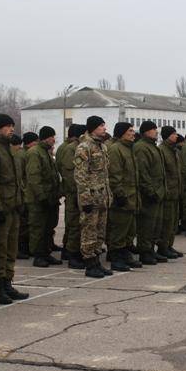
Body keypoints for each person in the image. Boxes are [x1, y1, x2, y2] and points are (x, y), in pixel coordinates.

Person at [0, 114, 29, 304]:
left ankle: (7, 283)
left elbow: (17, 180)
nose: (11, 129)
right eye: (7, 126)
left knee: (11, 249)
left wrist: (21, 201)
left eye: (12, 126)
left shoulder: (9, 149)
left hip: (13, 206)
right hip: (1, 208)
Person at [74, 116, 112, 278]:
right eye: (101, 126)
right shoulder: (84, 147)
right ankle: (89, 264)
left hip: (102, 197)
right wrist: (85, 199)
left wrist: (108, 195)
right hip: (91, 198)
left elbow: (104, 174)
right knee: (89, 231)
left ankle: (97, 262)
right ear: (93, 128)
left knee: (99, 232)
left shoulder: (102, 146)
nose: (104, 128)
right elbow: (80, 175)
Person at [106, 122, 142, 271]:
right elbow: (115, 175)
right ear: (122, 133)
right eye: (130, 131)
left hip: (132, 197)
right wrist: (120, 195)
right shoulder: (116, 149)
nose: (133, 133)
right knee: (119, 230)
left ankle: (125, 254)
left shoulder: (129, 148)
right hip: (122, 198)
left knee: (129, 230)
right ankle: (116, 258)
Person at [25, 126, 62, 267]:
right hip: (39, 199)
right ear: (46, 137)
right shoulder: (35, 153)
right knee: (38, 228)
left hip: (50, 197)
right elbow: (34, 177)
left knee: (48, 227)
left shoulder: (46, 152)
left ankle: (46, 253)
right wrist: (42, 197)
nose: (53, 139)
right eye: (52, 137)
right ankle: (38, 255)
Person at [134, 121, 167, 265]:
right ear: (146, 131)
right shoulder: (141, 147)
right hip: (149, 194)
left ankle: (151, 249)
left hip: (158, 192)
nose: (156, 131)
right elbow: (143, 172)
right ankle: (145, 251)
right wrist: (150, 191)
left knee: (155, 224)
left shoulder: (153, 147)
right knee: (146, 225)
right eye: (154, 129)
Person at [56, 124, 86, 269]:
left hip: (80, 193)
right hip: (74, 193)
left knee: (77, 225)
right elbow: (69, 174)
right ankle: (71, 253)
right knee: (74, 224)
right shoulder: (71, 149)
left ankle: (71, 251)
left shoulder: (79, 148)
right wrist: (76, 192)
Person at [158, 126, 183, 259]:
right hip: (168, 192)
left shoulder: (174, 150)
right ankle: (162, 246)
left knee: (173, 221)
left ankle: (169, 245)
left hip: (175, 191)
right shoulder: (162, 150)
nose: (176, 136)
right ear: (167, 136)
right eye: (173, 134)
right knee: (166, 222)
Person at [17, 132, 39, 259]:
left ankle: (25, 247)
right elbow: (21, 176)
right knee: (23, 223)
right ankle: (21, 248)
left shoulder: (26, 153)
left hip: (26, 192)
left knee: (27, 222)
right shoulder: (23, 155)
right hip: (24, 193)